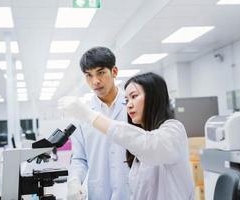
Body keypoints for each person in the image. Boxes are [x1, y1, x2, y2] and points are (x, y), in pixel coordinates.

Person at [59, 72, 194, 200]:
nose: (128, 105)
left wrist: (90, 116)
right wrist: (74, 182)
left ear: (154, 97)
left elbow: (148, 145)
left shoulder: (174, 130)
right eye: (127, 99)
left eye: (134, 96)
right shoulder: (139, 143)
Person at [66, 47, 129, 200]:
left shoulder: (132, 106)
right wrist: (74, 181)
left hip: (132, 193)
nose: (95, 81)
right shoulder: (82, 113)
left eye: (101, 72)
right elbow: (79, 158)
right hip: (99, 194)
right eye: (89, 75)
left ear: (114, 72)